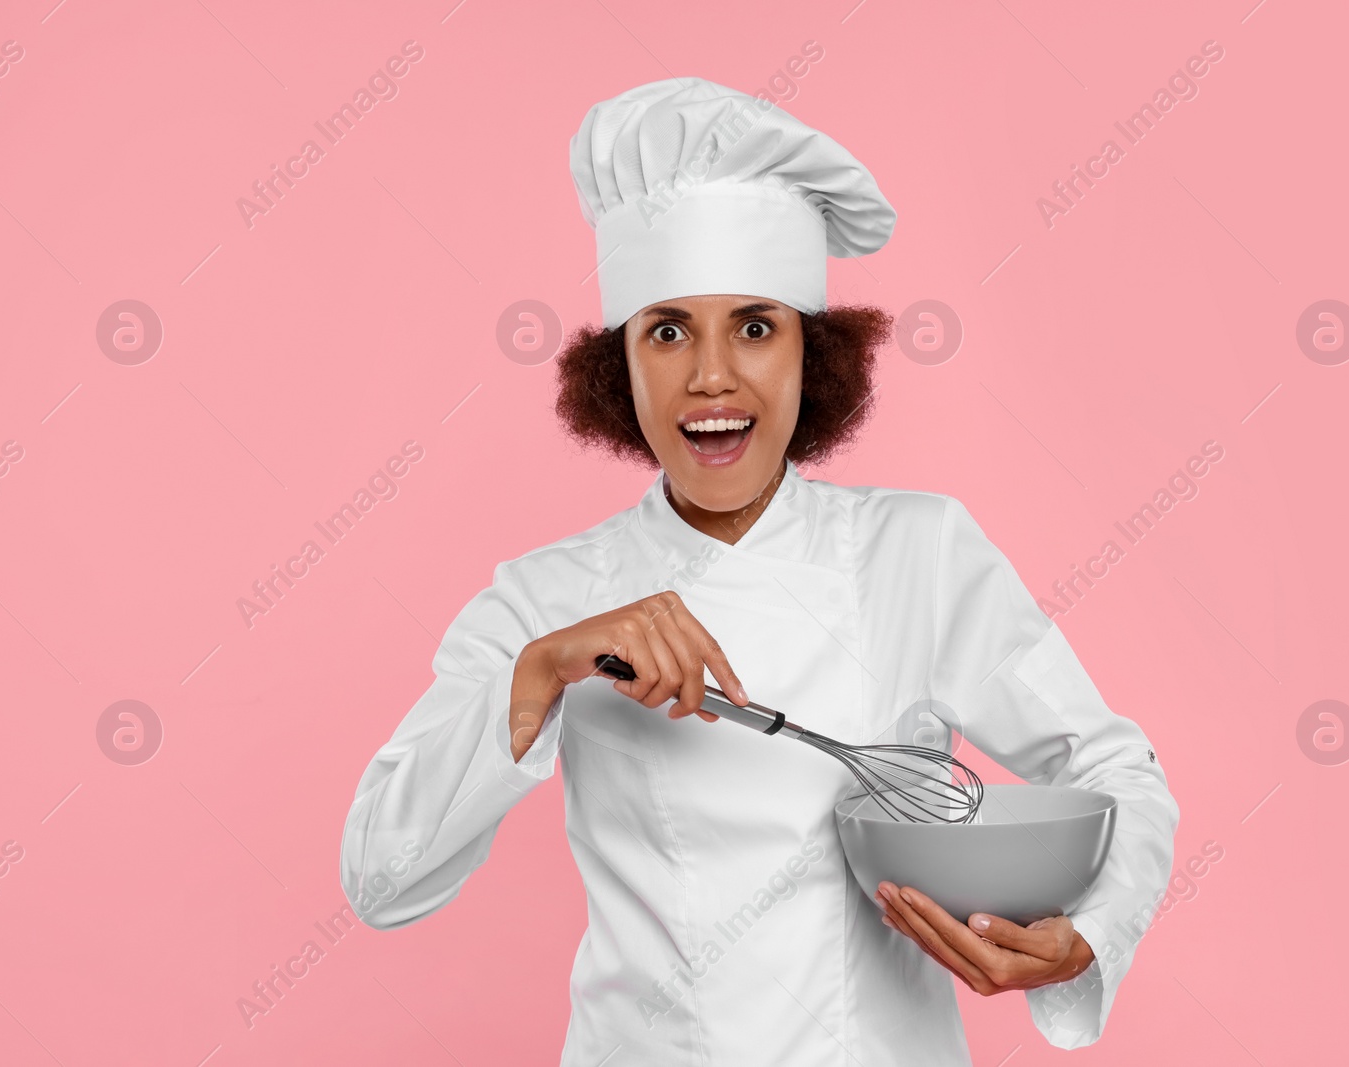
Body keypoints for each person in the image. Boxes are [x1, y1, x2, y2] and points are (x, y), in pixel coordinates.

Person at [340, 76, 1178, 1065]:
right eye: (666, 330)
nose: (710, 375)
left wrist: (1087, 936)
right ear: (618, 367)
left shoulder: (918, 551)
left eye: (753, 325)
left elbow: (1117, 771)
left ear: (811, 354)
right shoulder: (543, 596)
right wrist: (539, 671)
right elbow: (380, 876)